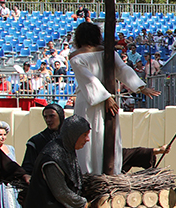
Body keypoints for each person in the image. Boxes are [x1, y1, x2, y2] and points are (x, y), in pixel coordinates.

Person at [68, 22, 161, 175]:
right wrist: (139, 87)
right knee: (92, 135)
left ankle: (92, 173)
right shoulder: (99, 54)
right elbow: (92, 78)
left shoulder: (78, 56)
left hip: (91, 100)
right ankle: (91, 174)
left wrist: (140, 87)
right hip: (97, 98)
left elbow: (100, 76)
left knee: (95, 136)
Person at [22, 103, 65, 177]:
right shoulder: (36, 141)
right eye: (45, 117)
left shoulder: (70, 138)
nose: (48, 120)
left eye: (52, 116)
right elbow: (28, 167)